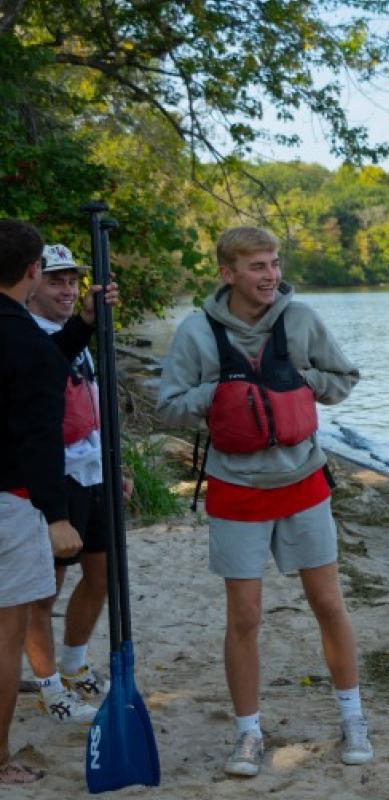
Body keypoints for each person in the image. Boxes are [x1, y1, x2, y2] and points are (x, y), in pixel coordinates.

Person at [156, 226, 367, 777]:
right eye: (257, 267)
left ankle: (352, 717)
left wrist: (298, 380)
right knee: (245, 616)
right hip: (236, 487)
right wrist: (220, 393)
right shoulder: (198, 333)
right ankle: (249, 733)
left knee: (327, 604)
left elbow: (345, 379)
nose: (271, 275)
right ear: (228, 273)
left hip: (303, 480)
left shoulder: (300, 321)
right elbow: (169, 407)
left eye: (274, 264)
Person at [0, 221, 97, 783]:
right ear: (33, 271)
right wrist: (57, 517)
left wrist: (82, 326)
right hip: (10, 504)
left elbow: (40, 359)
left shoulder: (33, 345)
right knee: (6, 631)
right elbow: (39, 440)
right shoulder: (25, 346)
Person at [22, 244, 129, 727]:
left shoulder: (76, 337)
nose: (67, 290)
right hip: (53, 475)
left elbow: (92, 399)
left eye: (72, 281)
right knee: (45, 590)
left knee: (102, 576)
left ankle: (72, 663)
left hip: (92, 469)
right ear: (32, 283)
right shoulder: (26, 337)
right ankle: (47, 686)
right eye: (56, 281)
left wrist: (116, 463)